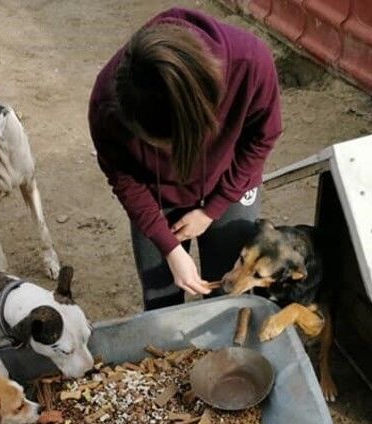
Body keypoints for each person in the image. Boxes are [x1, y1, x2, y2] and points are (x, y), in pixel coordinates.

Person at [89, 7, 283, 310]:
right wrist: (169, 248)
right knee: (161, 298)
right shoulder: (107, 101)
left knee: (227, 292)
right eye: (156, 146)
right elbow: (124, 178)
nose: (170, 156)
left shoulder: (250, 62)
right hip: (155, 196)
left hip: (229, 182)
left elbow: (263, 137)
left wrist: (212, 209)